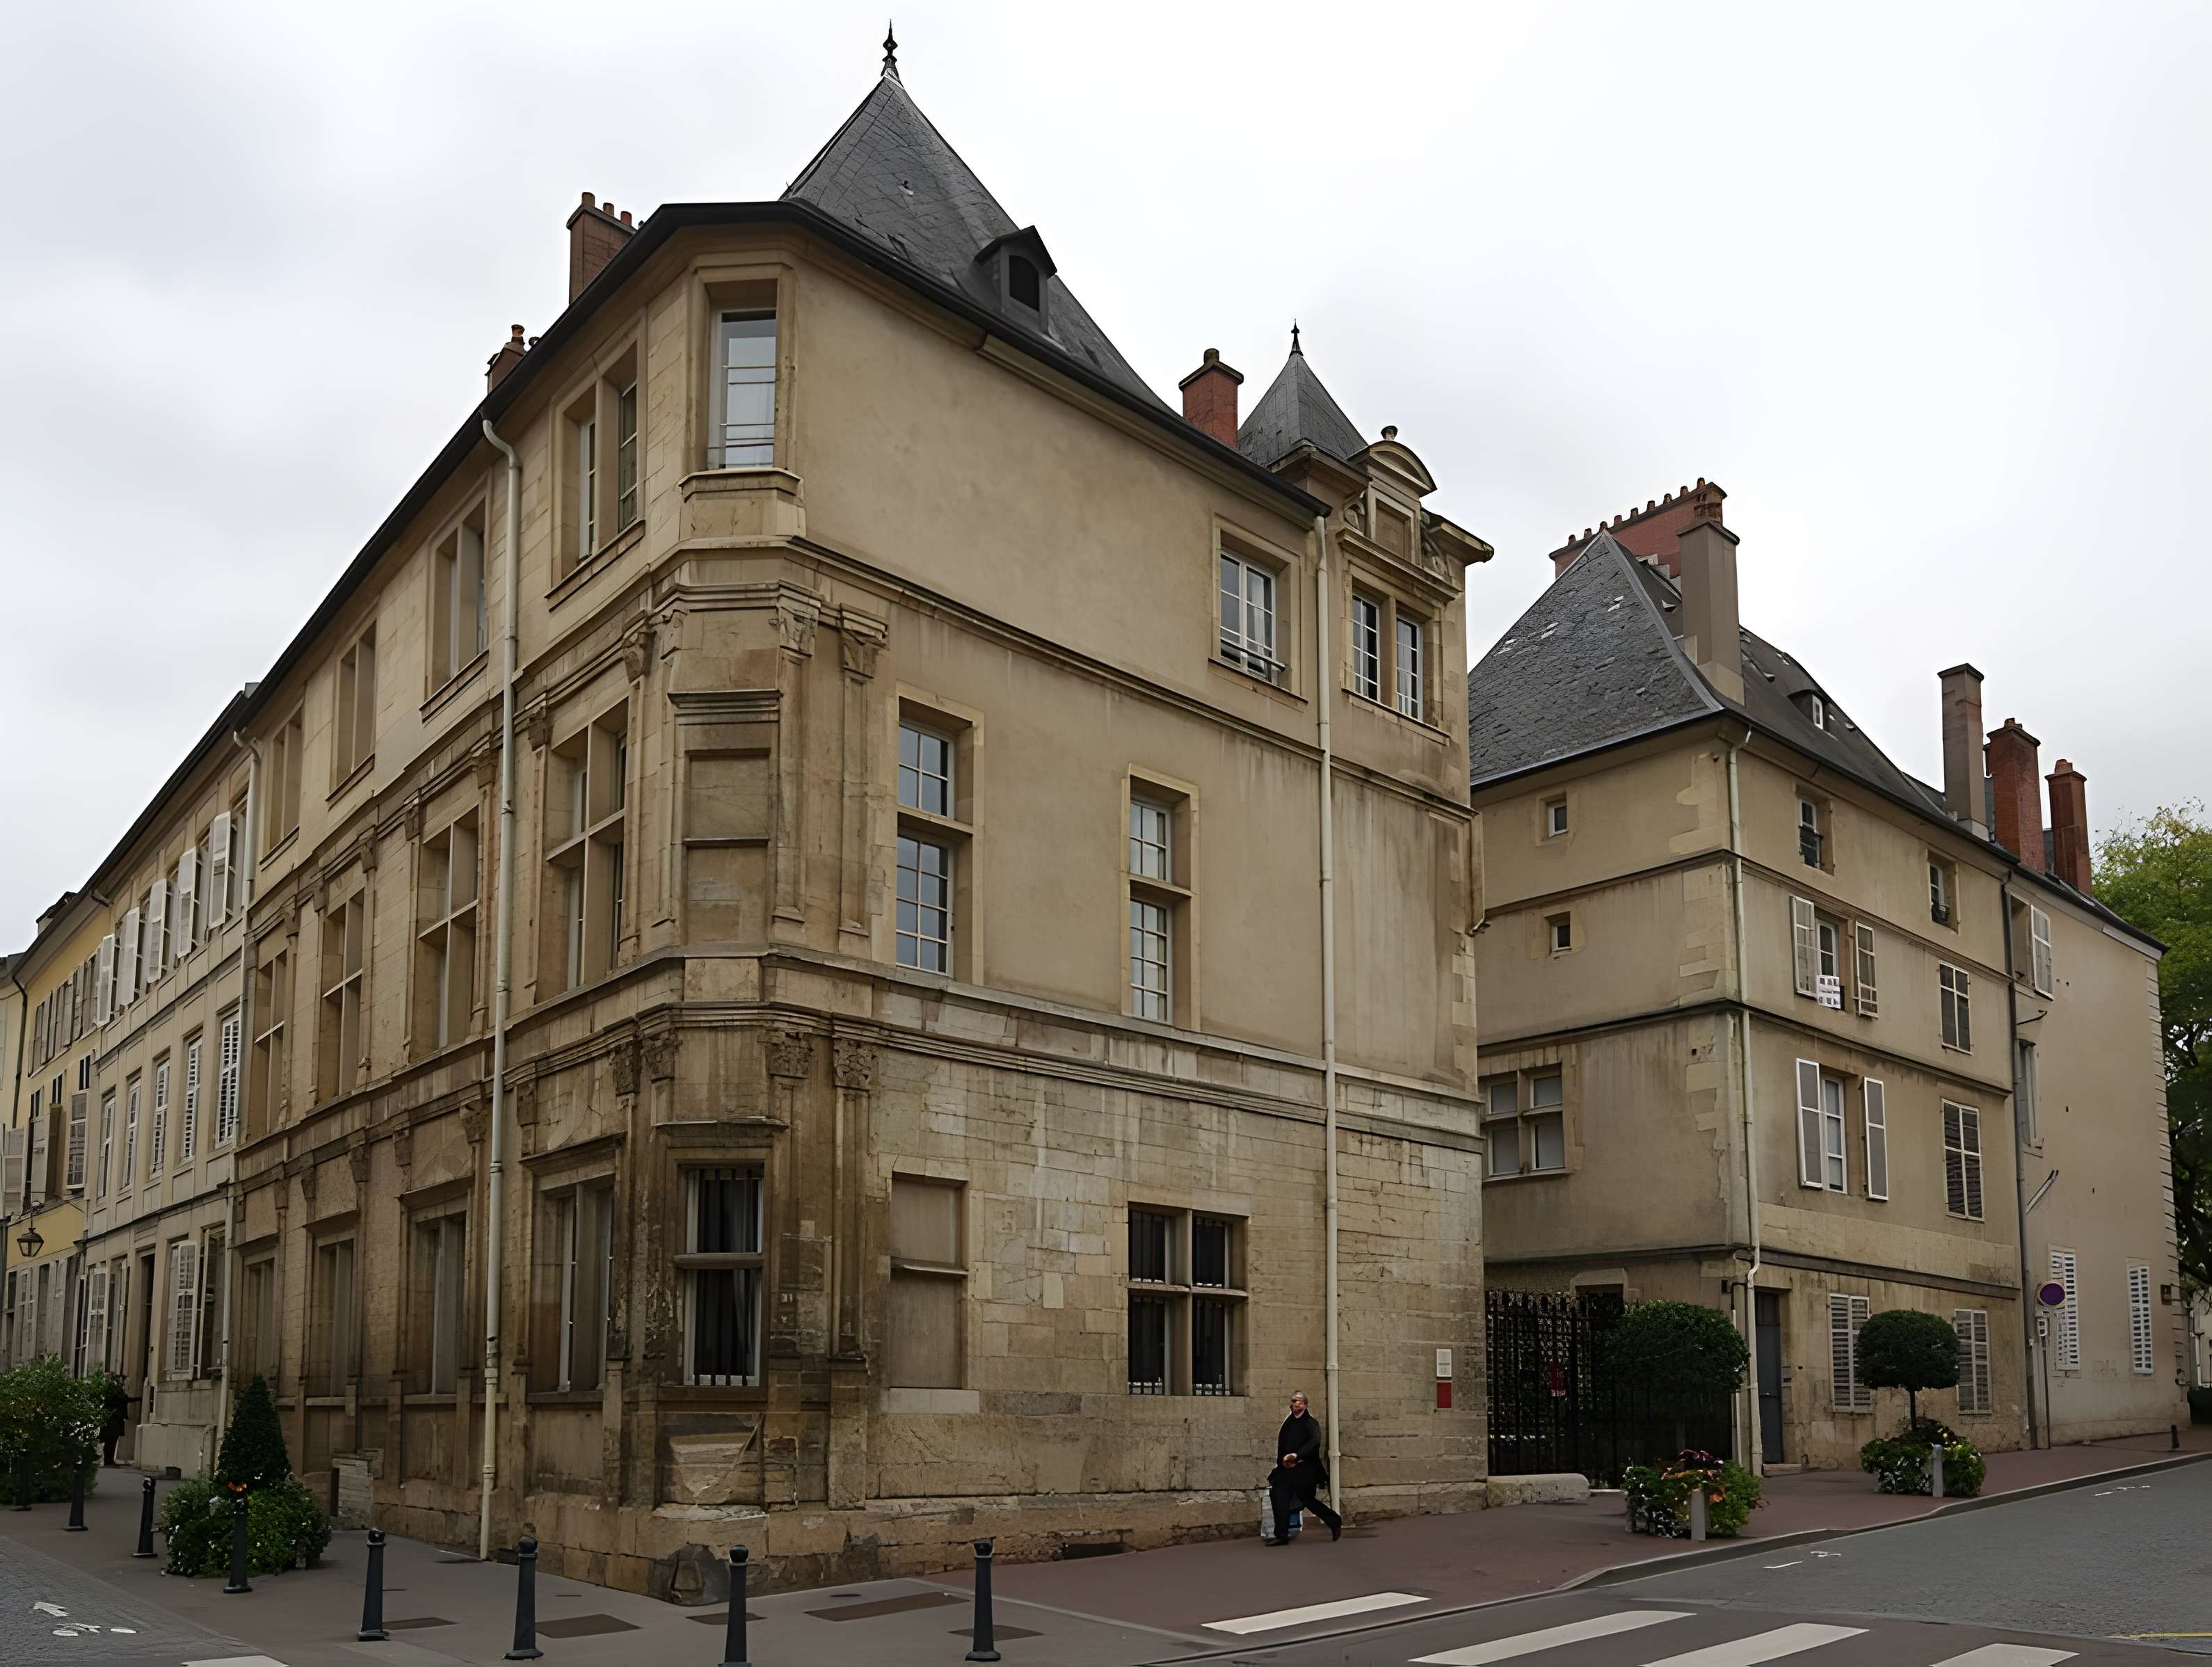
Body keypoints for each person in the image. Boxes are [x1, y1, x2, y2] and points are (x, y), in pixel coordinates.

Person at [1265, 1391, 1341, 1545]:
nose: (1297, 1404)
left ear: (1306, 1405)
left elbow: (1315, 1441)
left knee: (1307, 1499)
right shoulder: (1289, 1422)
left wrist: (1297, 1455)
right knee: (1279, 1495)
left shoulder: (1310, 1422)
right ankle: (1281, 1535)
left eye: (1301, 1401)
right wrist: (1281, 1464)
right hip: (1286, 1470)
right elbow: (1282, 1445)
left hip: (1305, 1470)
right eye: (1295, 1401)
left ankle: (1334, 1521)